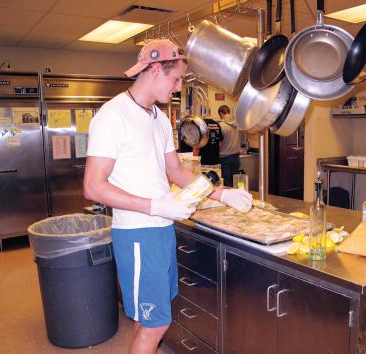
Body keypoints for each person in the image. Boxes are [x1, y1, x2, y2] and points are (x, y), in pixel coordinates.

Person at [83, 39, 252, 354]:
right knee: (155, 324)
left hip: (161, 231)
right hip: (137, 235)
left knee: (147, 318)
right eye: (176, 80)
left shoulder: (159, 118)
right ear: (156, 68)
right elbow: (93, 186)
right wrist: (155, 205)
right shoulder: (113, 115)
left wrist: (222, 194)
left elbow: (176, 173)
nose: (177, 88)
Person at [217, 105, 242, 187]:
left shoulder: (221, 126)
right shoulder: (238, 124)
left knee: (227, 184)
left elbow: (219, 143)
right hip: (236, 157)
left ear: (221, 113)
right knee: (236, 183)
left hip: (224, 159)